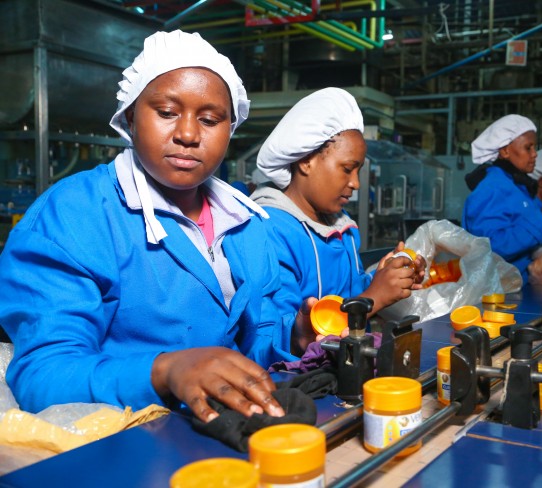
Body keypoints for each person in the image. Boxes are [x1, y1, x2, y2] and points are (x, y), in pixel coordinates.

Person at [0, 30, 313, 423]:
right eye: (166, 112)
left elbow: (253, 348)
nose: (187, 134)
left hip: (220, 436)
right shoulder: (73, 216)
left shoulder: (248, 224)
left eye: (210, 119)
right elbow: (42, 376)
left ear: (230, 128)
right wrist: (165, 372)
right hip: (118, 445)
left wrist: (295, 335)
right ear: (130, 116)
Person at [252, 88, 425, 349]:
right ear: (306, 161)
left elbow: (350, 294)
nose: (355, 183)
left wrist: (386, 278)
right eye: (347, 169)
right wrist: (374, 297)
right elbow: (281, 335)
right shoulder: (270, 231)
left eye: (358, 171)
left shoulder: (342, 229)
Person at [462, 115, 542, 281]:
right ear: (505, 151)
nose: (534, 155)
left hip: (518, 282)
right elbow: (490, 246)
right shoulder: (492, 188)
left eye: (535, 148)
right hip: (498, 289)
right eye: (528, 148)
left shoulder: (515, 185)